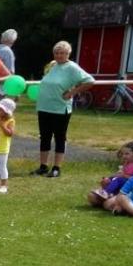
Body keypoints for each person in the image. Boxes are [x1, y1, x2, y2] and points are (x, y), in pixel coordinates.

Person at [33, 40, 94, 179]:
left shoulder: (72, 67)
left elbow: (90, 81)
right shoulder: (52, 65)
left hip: (60, 108)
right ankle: (43, 166)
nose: (59, 55)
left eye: (62, 53)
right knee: (44, 136)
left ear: (68, 54)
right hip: (44, 106)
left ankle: (56, 167)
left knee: (59, 137)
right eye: (56, 53)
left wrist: (72, 92)